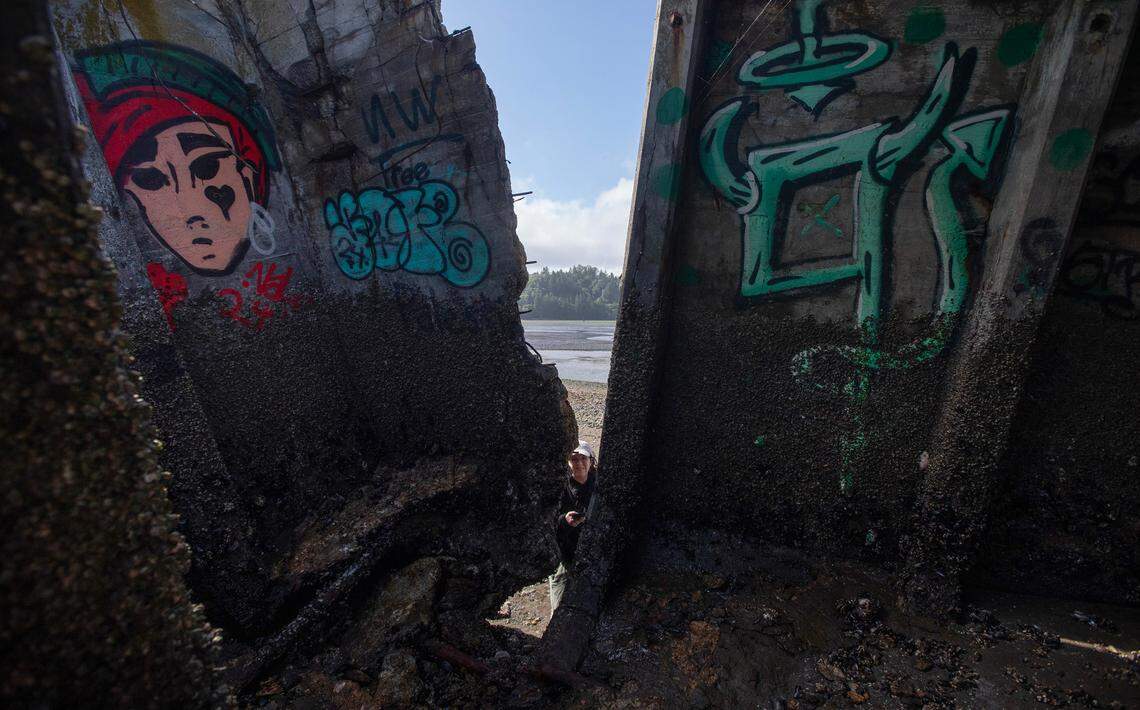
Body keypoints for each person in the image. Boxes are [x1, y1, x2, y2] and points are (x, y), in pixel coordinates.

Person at [549, 441, 597, 614]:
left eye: (583, 458)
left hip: (593, 554)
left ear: (591, 461)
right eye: (574, 459)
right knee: (559, 605)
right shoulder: (559, 486)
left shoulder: (600, 486)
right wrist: (564, 521)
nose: (579, 463)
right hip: (564, 554)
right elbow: (546, 522)